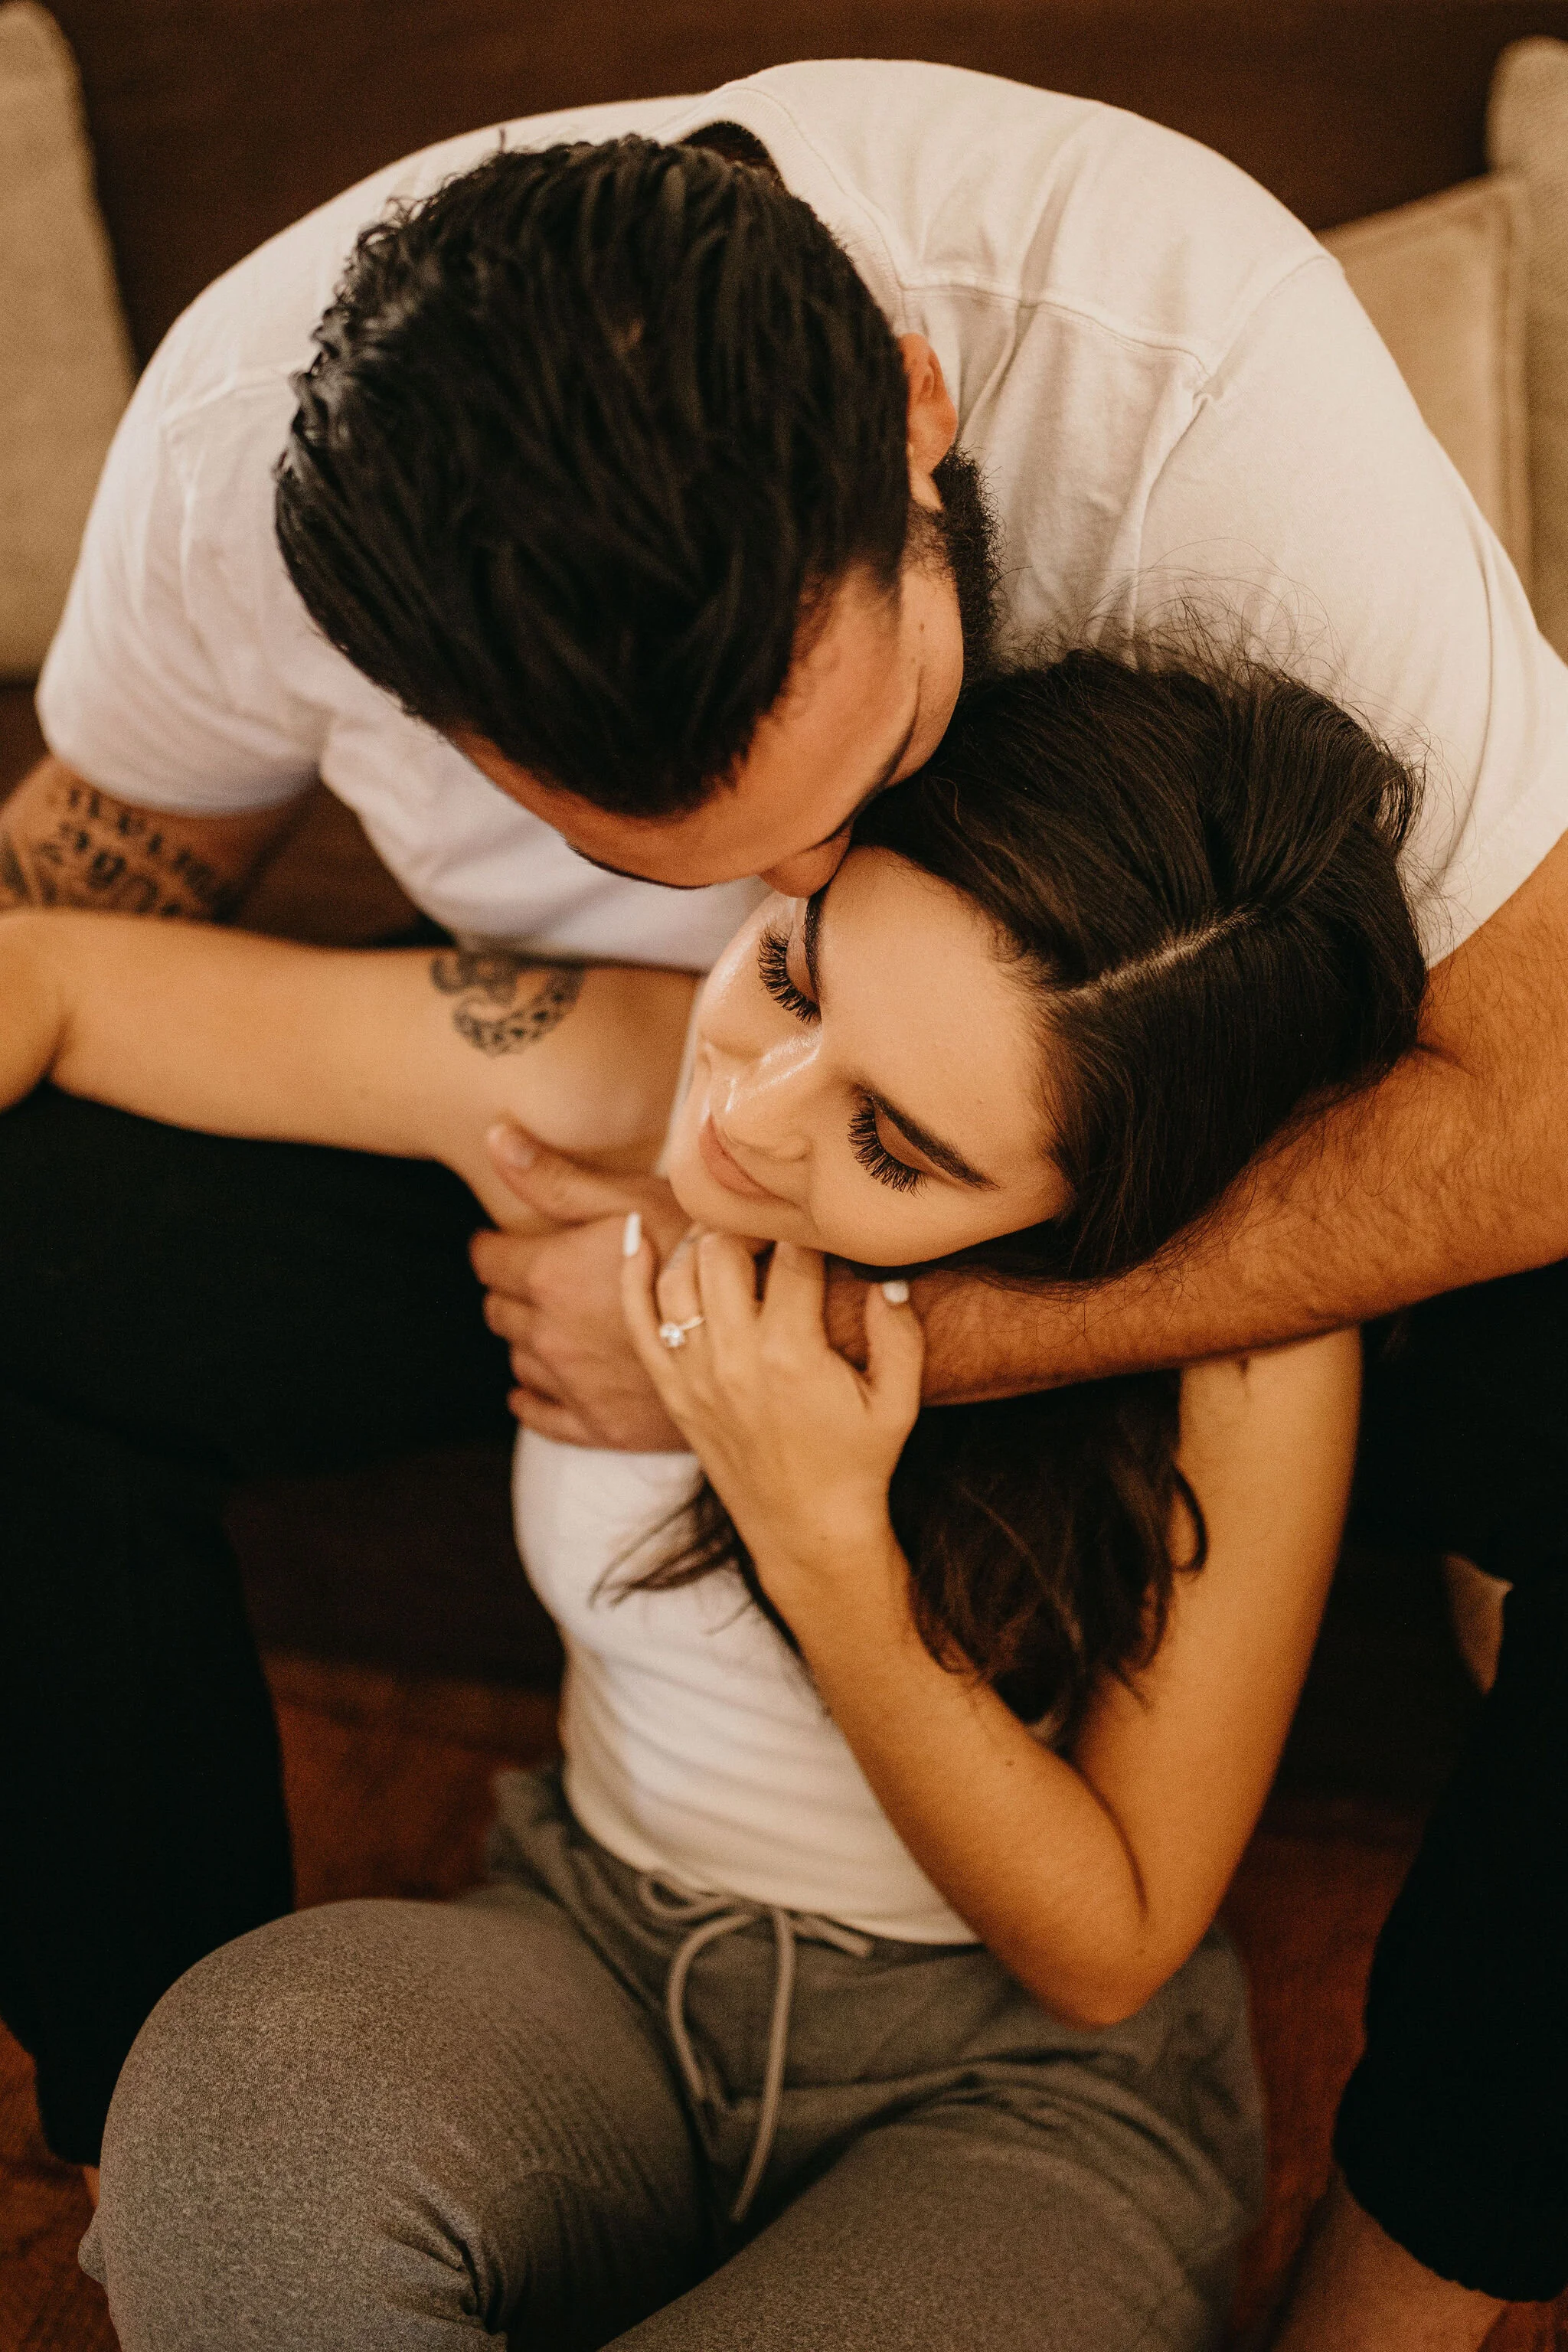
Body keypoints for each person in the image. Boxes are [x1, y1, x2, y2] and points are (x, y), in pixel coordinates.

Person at [1, 62, 1563, 2346]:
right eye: (739, 901)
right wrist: (718, 1113)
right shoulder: (653, 1009)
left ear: (920, 414)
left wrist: (827, 1383)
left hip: (1123, 1217)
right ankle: (120, 2151)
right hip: (603, 1397)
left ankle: (1396, 2304)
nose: (781, 922)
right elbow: (74, 941)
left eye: (866, 783)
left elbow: (1108, 1936)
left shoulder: (1186, 373)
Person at [2, 650, 1424, 2348]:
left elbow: (1107, 1950)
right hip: (590, 1953)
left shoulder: (1245, 1352)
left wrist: (823, 1542)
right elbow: (54, 981)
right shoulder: (630, 1066)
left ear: (1093, 1226)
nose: (748, 1110)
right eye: (796, 977)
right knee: (229, 2129)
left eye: (894, 1145)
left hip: (1016, 2100)